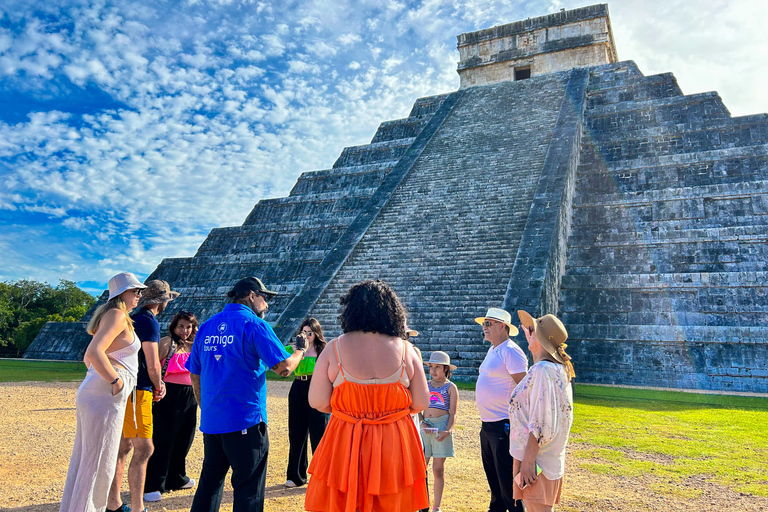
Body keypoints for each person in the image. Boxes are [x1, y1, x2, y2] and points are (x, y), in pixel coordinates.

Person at [305, 279, 430, 512]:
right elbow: (422, 402)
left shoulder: (334, 348)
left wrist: (348, 409)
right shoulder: (407, 350)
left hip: (346, 437)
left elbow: (317, 401)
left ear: (351, 310)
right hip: (394, 442)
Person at [187, 276, 305, 512]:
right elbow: (284, 369)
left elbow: (195, 375)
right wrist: (300, 350)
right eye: (266, 298)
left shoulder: (207, 326)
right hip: (245, 420)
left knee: (210, 484)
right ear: (252, 295)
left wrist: (205, 407)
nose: (268, 304)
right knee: (248, 488)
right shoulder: (254, 324)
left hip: (213, 421)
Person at [59, 272, 146, 512]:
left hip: (99, 391)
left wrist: (103, 379)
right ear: (122, 293)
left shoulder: (114, 316)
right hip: (105, 394)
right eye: (135, 291)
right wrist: (116, 381)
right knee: (98, 462)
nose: (139, 295)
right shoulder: (117, 315)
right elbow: (94, 351)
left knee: (90, 459)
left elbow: (90, 357)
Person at [107, 280, 179, 512]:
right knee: (144, 448)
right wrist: (159, 384)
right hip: (139, 390)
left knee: (125, 446)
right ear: (162, 300)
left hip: (129, 388)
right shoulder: (149, 322)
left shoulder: (134, 319)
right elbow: (152, 362)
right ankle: (136, 507)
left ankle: (114, 503)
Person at [509, 311, 575, 512]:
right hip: (549, 459)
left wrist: (527, 462)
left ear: (542, 338)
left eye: (532, 330)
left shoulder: (542, 371)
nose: (528, 334)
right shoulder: (557, 369)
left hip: (537, 460)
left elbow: (540, 423)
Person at [143, 311, 200, 502]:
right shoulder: (167, 342)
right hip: (169, 394)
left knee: (185, 438)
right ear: (174, 327)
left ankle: (176, 478)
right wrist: (157, 385)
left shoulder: (195, 345)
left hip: (190, 395)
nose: (184, 330)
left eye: (188, 327)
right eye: (181, 326)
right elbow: (151, 364)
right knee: (163, 440)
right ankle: (153, 484)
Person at [474, 307, 527, 512]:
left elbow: (524, 390)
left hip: (503, 424)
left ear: (502, 326)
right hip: (488, 425)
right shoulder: (494, 349)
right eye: (483, 324)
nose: (484, 327)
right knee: (494, 478)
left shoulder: (511, 351)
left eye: (488, 323)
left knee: (507, 482)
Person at [285, 318, 329, 488]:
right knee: (296, 432)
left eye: (310, 332)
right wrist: (296, 350)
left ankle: (321, 475)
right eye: (304, 332)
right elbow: (283, 364)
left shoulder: (323, 350)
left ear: (316, 333)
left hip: (316, 387)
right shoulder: (294, 349)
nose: (307, 336)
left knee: (318, 433)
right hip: (297, 387)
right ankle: (295, 476)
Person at [419, 351, 459, 512]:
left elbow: (453, 412)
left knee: (438, 468)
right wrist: (422, 423)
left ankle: (436, 506)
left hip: (441, 427)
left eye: (437, 367)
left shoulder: (451, 387)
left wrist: (448, 430)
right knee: (422, 467)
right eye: (431, 367)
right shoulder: (425, 384)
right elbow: (418, 407)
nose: (433, 370)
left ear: (446, 369)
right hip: (425, 427)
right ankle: (422, 503)